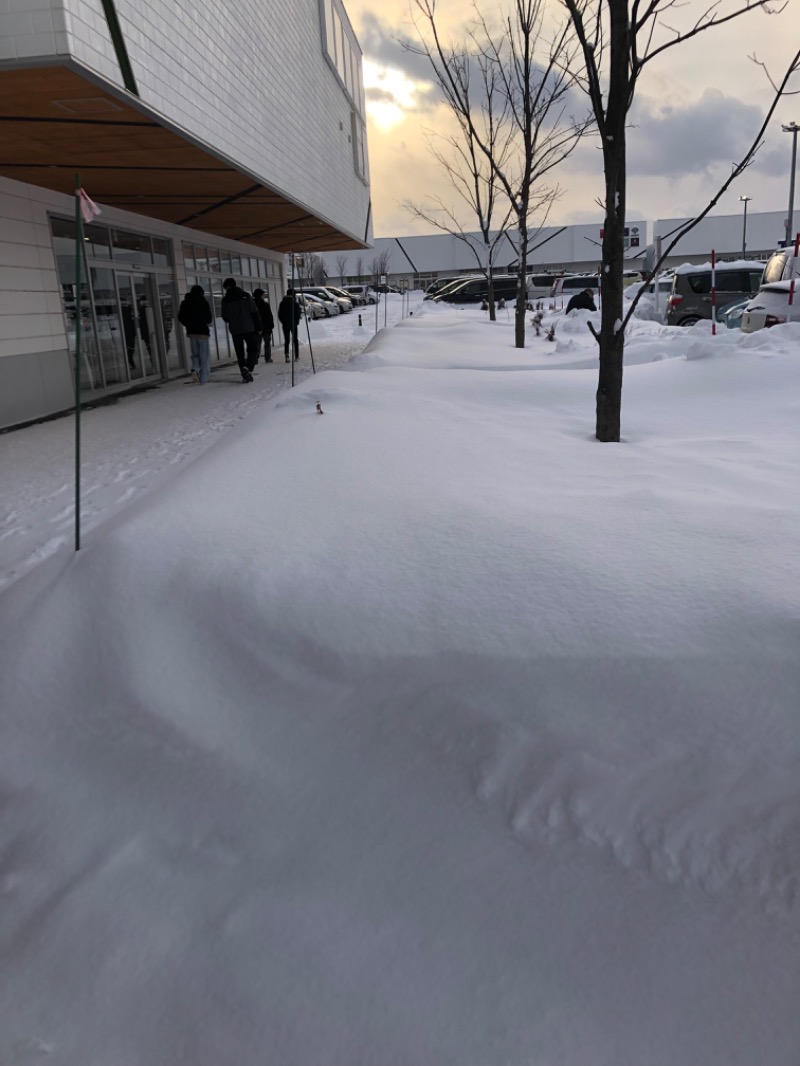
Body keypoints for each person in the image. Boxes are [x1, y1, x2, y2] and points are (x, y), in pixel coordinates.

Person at [221, 277, 261, 382]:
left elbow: (225, 317)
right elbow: (254, 312)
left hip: (235, 330)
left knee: (240, 353)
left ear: (227, 287)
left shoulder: (225, 300)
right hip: (249, 328)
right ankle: (248, 368)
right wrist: (259, 327)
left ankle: (244, 373)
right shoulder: (246, 296)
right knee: (253, 349)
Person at [178, 284, 213, 384]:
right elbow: (209, 318)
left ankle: (195, 368)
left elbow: (180, 317)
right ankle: (203, 379)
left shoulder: (185, 303)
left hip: (191, 332)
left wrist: (188, 324)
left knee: (195, 354)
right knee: (204, 356)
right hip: (203, 333)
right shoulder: (203, 302)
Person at [278, 288, 302, 362]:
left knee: (287, 340)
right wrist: (296, 321)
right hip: (293, 324)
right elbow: (298, 313)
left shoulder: (282, 303)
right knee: (295, 340)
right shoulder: (295, 303)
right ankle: (296, 356)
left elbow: (280, 314)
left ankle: (287, 355)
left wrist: (283, 321)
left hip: (285, 324)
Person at [252, 288, 275, 363]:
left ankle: (255, 357)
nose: (264, 296)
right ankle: (267, 358)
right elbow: (269, 316)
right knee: (267, 343)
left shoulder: (252, 305)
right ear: (260, 295)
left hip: (256, 327)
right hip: (266, 327)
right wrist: (271, 325)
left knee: (257, 343)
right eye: (263, 294)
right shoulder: (265, 305)